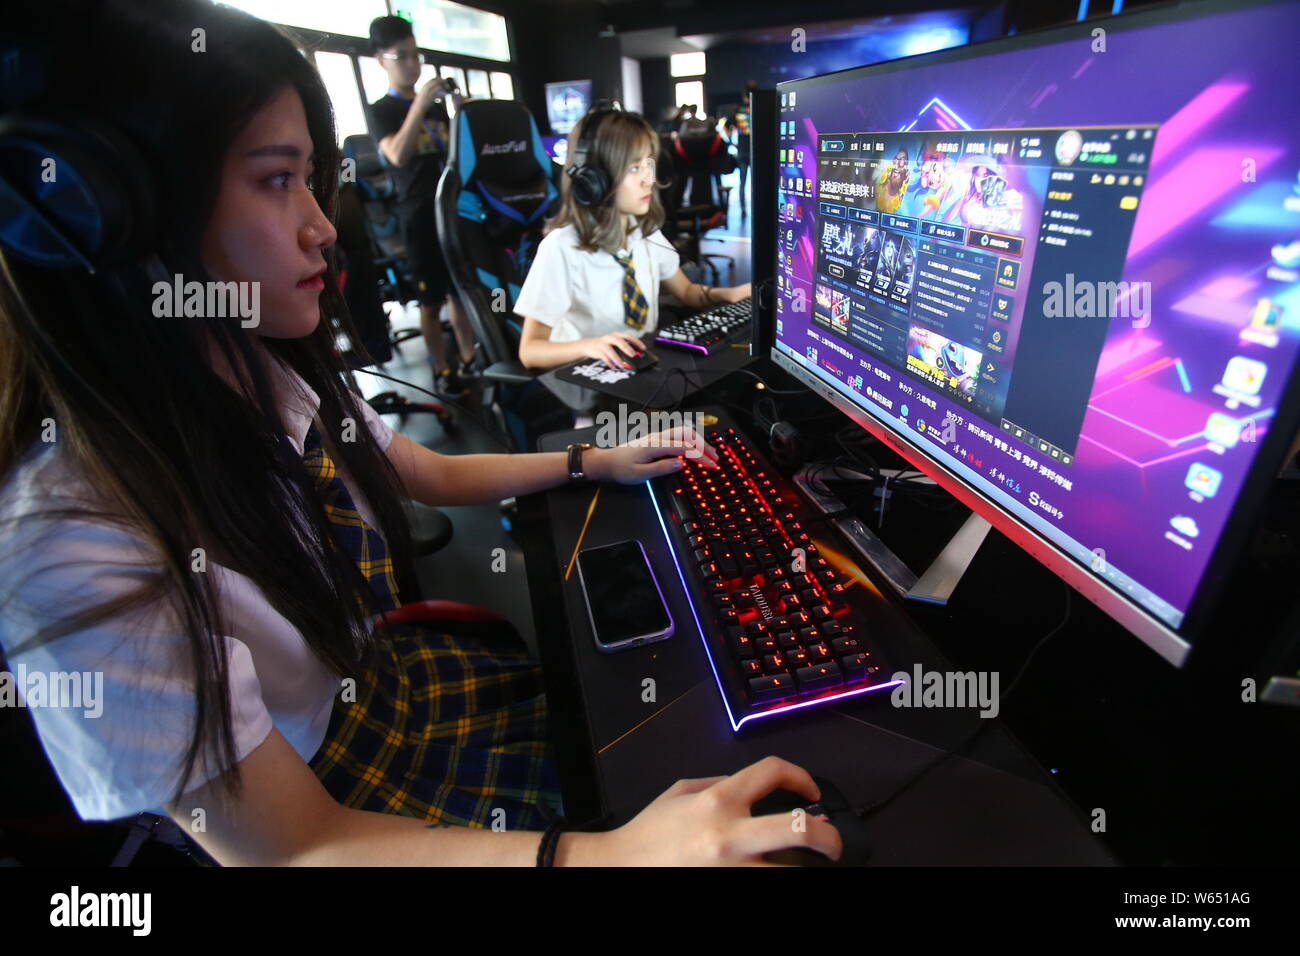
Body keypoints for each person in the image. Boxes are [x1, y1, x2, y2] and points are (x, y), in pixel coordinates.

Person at [0, 0, 842, 866]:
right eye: (275, 179)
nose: (324, 227)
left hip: (400, 688)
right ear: (119, 211)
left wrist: (591, 458)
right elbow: (296, 850)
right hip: (344, 801)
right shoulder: (67, 546)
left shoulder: (253, 367)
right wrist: (613, 855)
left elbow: (409, 465)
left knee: (699, 744)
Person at [515, 108, 751, 375]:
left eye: (648, 165)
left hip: (640, 365)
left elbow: (687, 293)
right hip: (587, 377)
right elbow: (530, 351)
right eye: (634, 168)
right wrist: (589, 346)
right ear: (594, 179)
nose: (648, 180)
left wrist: (730, 294)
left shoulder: (645, 232)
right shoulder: (562, 247)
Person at [368, 15, 475, 395]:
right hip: (417, 216)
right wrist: (419, 105)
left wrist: (462, 111)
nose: (413, 64)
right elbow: (396, 155)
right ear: (381, 59)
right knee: (430, 301)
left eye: (417, 56)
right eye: (403, 57)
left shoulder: (434, 108)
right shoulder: (381, 110)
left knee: (459, 292)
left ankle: (468, 361)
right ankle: (441, 370)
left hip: (451, 212)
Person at [723, 81, 758, 218]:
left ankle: (743, 208)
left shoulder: (738, 110)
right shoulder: (759, 107)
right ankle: (757, 207)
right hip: (756, 152)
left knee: (742, 182)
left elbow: (726, 127)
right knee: (757, 183)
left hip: (742, 151)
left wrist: (731, 142)